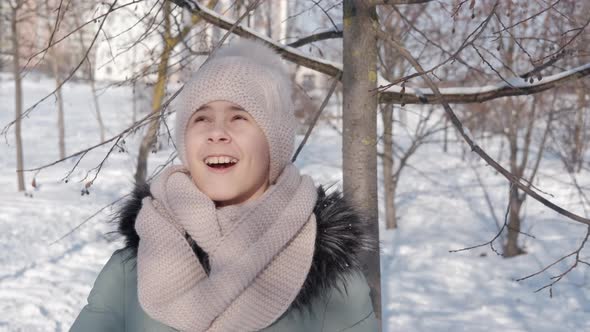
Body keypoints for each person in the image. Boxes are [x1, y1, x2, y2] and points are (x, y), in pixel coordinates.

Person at [71, 39, 378, 332]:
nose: (216, 133)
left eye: (239, 117)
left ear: (275, 143)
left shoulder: (336, 288)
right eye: (201, 118)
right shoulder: (127, 276)